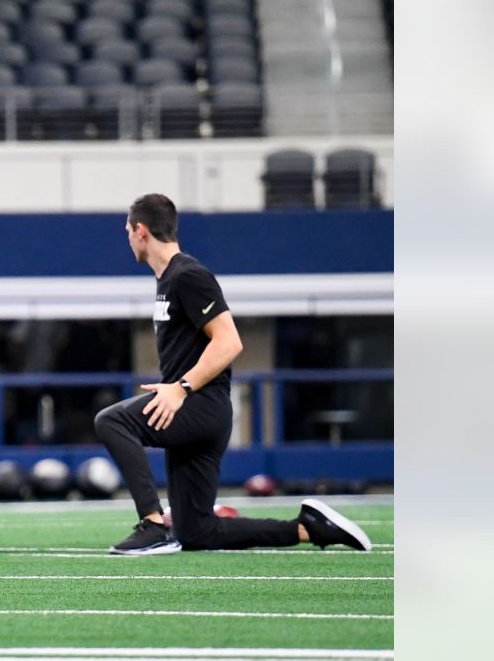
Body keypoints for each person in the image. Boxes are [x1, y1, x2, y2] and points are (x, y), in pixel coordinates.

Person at [95, 193, 372, 555]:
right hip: (192, 409)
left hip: (199, 405)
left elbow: (229, 342)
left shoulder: (188, 275)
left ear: (142, 231)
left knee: (112, 422)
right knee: (198, 533)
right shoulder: (168, 280)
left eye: (128, 230)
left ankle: (152, 524)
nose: (127, 237)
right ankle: (309, 529)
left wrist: (180, 388)